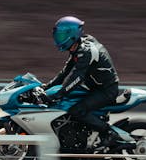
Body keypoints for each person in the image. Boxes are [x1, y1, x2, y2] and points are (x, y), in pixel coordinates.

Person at [41, 16, 130, 149]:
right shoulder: (76, 48)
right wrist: (46, 88)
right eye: (57, 35)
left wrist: (58, 94)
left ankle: (109, 133)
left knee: (76, 110)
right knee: (67, 101)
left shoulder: (86, 51)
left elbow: (76, 77)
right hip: (94, 88)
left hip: (106, 90)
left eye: (61, 35)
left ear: (71, 35)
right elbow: (65, 73)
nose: (58, 38)